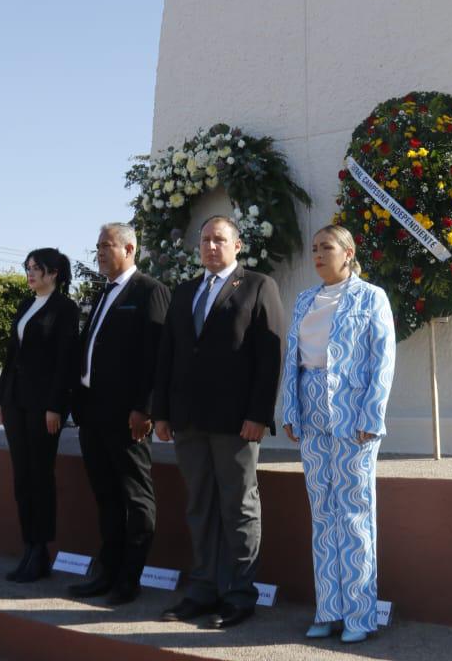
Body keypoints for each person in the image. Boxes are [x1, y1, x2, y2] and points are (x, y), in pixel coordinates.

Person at [154, 215, 285, 630]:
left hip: (236, 422)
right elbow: (168, 354)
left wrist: (258, 415)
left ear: (237, 245)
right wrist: (160, 411)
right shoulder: (186, 291)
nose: (211, 247)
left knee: (238, 506)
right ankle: (203, 589)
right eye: (206, 240)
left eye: (220, 240)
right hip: (188, 420)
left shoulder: (258, 286)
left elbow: (270, 356)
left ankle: (239, 594)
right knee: (200, 504)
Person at [281, 224, 396, 645]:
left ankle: (361, 615)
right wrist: (289, 408)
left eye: (325, 247)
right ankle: (328, 609)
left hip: (354, 415)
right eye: (313, 248)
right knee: (323, 513)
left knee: (354, 512)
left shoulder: (371, 297)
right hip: (312, 410)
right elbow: (292, 357)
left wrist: (372, 414)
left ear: (348, 253)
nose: (317, 254)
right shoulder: (304, 300)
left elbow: (384, 360)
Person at [70, 223, 170, 606]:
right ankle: (106, 572)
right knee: (105, 495)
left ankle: (130, 578)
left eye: (106, 245)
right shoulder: (103, 293)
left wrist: (144, 408)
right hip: (92, 413)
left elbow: (156, 356)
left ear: (129, 248)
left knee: (135, 496)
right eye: (96, 245)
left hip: (127, 415)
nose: (98, 251)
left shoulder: (150, 291)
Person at [0, 248, 79, 584]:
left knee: (40, 476)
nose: (29, 273)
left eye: (35, 268)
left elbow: (65, 361)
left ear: (53, 272)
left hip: (44, 406)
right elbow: (12, 354)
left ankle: (41, 550)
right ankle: (28, 545)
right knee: (22, 477)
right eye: (27, 267)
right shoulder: (26, 305)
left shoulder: (65, 309)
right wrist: (0, 397)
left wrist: (57, 406)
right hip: (16, 401)